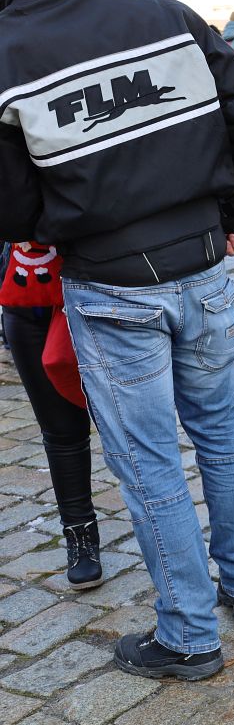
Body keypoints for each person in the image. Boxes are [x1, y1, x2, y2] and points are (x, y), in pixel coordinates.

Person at [0, 0, 234, 679]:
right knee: (224, 432)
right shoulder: (160, 13)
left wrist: (57, 226)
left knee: (149, 461)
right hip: (200, 261)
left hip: (111, 280)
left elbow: (12, 203)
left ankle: (189, 635)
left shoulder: (7, 52)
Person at [1, 241, 98, 588]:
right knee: (61, 431)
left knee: (129, 426)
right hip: (25, 297)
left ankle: (162, 536)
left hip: (96, 292)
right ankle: (80, 537)